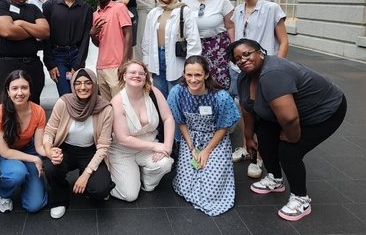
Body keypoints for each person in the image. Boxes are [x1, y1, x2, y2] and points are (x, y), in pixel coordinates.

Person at [228, 39, 347, 221]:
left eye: (247, 53)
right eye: (237, 58)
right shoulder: (245, 77)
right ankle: (275, 179)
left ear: (260, 52)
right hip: (287, 113)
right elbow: (247, 107)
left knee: (289, 152)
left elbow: (290, 118)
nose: (243, 60)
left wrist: (291, 137)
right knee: (265, 136)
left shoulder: (272, 74)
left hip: (325, 110)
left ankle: (301, 199)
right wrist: (248, 136)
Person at [230, 0, 289, 178]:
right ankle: (247, 147)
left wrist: (277, 67)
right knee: (245, 109)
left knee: (263, 113)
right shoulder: (237, 10)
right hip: (241, 69)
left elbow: (283, 41)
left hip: (264, 69)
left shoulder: (271, 8)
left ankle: (261, 156)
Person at [168, 55, 239, 216]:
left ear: (206, 74)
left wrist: (207, 150)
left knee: (211, 191)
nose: (193, 79)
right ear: (184, 74)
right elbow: (181, 122)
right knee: (185, 184)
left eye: (198, 75)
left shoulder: (220, 97)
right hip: (191, 137)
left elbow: (223, 127)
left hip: (215, 140)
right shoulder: (177, 93)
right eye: (189, 75)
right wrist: (191, 147)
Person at [42, 68, 115, 219]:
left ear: (94, 85)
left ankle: (87, 181)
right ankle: (59, 199)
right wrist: (49, 150)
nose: (83, 87)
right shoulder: (64, 103)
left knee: (100, 190)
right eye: (78, 83)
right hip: (66, 149)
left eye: (88, 83)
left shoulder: (105, 109)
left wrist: (86, 175)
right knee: (50, 167)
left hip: (91, 151)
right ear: (73, 86)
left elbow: (103, 147)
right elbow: (50, 131)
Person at [107, 60, 175, 202]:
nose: (137, 75)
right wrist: (156, 146)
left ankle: (147, 180)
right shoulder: (117, 101)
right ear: (124, 76)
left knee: (165, 163)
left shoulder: (153, 93)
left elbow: (168, 118)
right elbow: (123, 139)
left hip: (147, 147)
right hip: (123, 151)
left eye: (141, 73)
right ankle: (114, 174)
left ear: (145, 77)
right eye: (132, 72)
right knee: (130, 195)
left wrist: (167, 147)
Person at [0, 70, 48, 213]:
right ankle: (4, 193)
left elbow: (39, 146)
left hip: (28, 149)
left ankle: (25, 179)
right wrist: (36, 159)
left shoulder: (39, 111)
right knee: (16, 173)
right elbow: (4, 151)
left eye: (24, 88)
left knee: (34, 206)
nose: (19, 93)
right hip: (6, 153)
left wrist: (50, 152)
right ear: (8, 91)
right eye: (15, 88)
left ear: (30, 90)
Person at [0, 0, 50, 104]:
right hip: (5, 65)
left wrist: (22, 23)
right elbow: (7, 31)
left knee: (32, 107)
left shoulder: (33, 9)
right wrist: (33, 31)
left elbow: (45, 32)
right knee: (6, 108)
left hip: (31, 66)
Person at [141, 0, 201, 96]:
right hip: (157, 60)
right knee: (160, 96)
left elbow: (193, 40)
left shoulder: (184, 11)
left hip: (176, 59)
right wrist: (146, 62)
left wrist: (191, 66)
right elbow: (147, 40)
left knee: (177, 95)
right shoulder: (153, 13)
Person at [182, 0, 235, 90]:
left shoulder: (221, 0)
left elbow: (231, 26)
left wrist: (233, 50)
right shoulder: (185, 2)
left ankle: (221, 107)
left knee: (219, 81)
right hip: (196, 47)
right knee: (198, 81)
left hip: (219, 47)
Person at [43, 0, 93, 96]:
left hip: (77, 54)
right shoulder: (49, 6)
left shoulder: (86, 8)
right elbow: (46, 36)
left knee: (79, 93)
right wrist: (50, 63)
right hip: (58, 56)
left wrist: (79, 63)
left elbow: (85, 38)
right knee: (65, 95)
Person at [89, 0, 133, 101]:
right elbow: (98, 43)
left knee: (121, 104)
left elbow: (129, 33)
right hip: (101, 66)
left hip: (117, 65)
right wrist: (92, 34)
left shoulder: (119, 8)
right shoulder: (95, 14)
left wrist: (124, 62)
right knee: (107, 107)